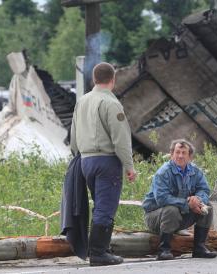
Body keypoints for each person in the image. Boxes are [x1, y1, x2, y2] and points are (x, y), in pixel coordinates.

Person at [70, 62, 137, 266]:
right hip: (106, 160)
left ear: (93, 79)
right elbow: (121, 139)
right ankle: (98, 253)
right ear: (113, 79)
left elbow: (73, 134)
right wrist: (129, 166)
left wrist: (76, 156)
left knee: (99, 204)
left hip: (86, 160)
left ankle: (101, 248)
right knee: (105, 207)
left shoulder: (82, 101)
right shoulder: (111, 103)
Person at [142, 139, 217, 260]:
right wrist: (187, 203)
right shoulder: (163, 172)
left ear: (190, 157)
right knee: (171, 210)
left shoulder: (195, 171)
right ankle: (164, 250)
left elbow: (204, 190)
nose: (180, 156)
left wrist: (197, 199)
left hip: (179, 216)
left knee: (206, 206)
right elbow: (162, 199)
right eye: (177, 152)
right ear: (171, 154)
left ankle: (199, 248)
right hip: (155, 217)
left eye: (184, 153)